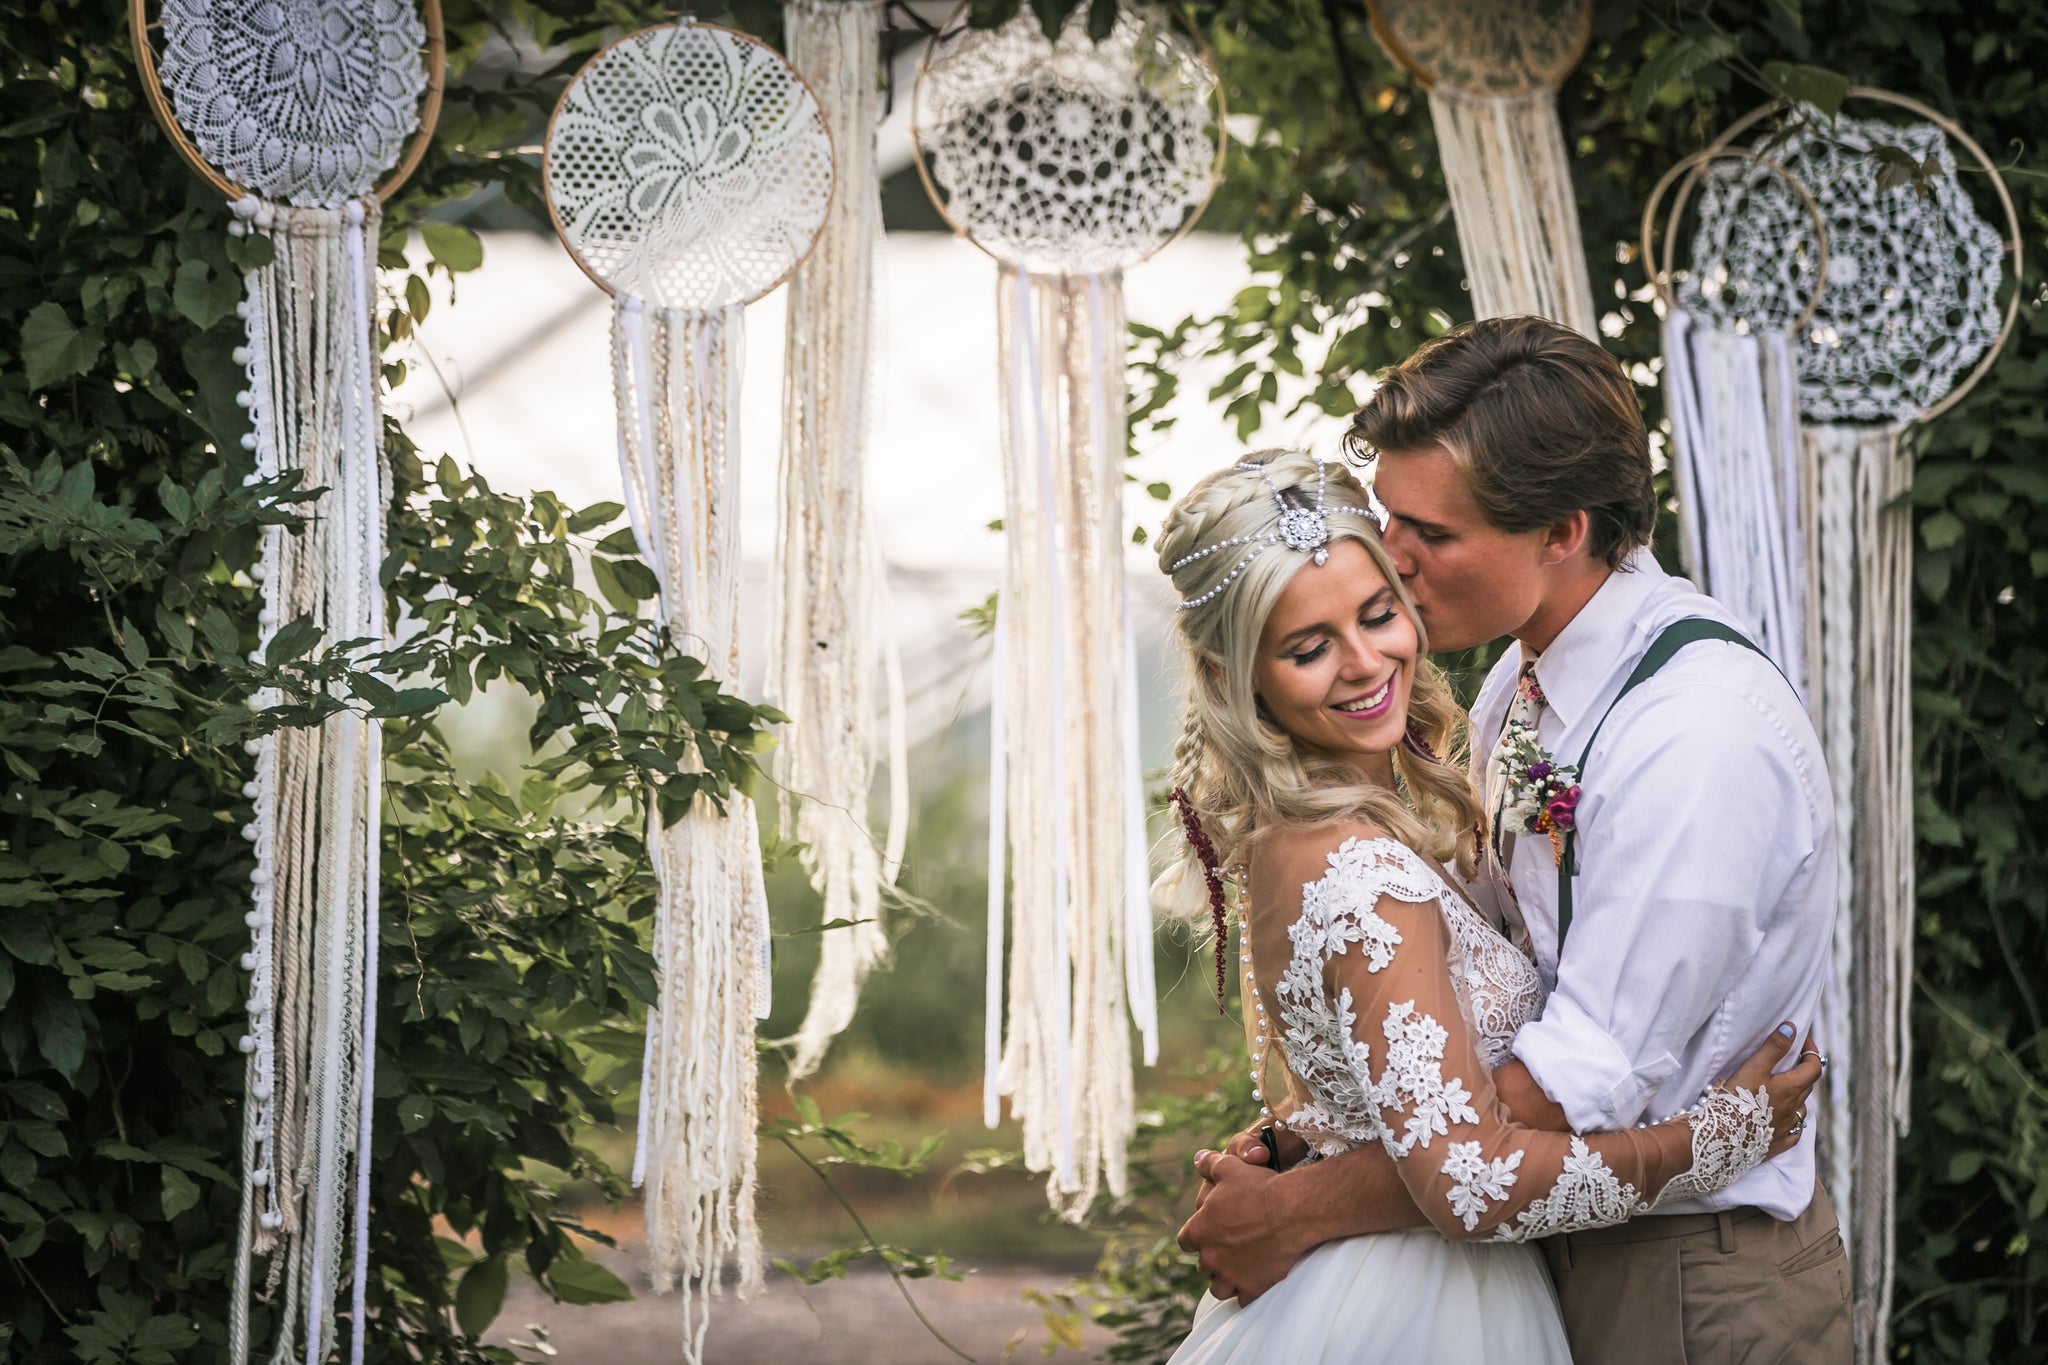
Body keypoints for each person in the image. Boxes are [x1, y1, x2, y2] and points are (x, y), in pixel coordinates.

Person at [1177, 319, 1852, 1363]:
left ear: (1559, 530)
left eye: (1428, 536)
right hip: (1508, 1262)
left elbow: (1573, 1078)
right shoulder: (1515, 686)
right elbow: (1454, 1040)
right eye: (1388, 518)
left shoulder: (1694, 736)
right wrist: (1313, 1136)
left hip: (1677, 1279)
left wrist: (1302, 1205)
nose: (1391, 561)